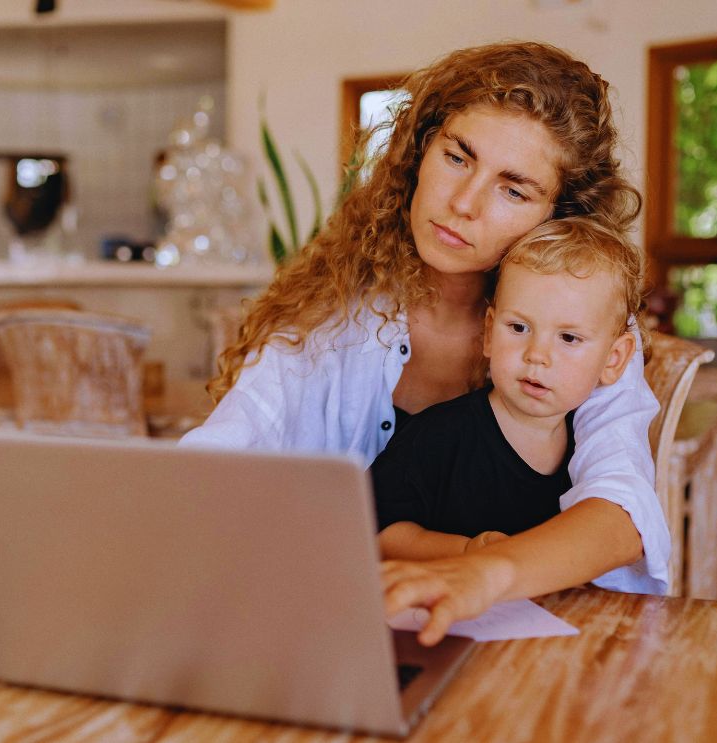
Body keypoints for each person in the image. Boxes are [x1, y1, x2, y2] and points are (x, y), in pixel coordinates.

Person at [180, 41, 669, 632]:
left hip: (548, 635)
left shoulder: (578, 335)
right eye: (458, 158)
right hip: (347, 626)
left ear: (558, 215)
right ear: (419, 151)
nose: (463, 203)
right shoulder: (326, 314)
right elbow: (225, 449)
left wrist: (483, 572)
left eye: (514, 189)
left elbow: (622, 511)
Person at [372, 217, 644, 631]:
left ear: (614, 359)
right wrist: (467, 552)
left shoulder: (589, 455)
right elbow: (382, 535)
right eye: (518, 328)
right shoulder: (436, 437)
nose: (537, 355)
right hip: (439, 632)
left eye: (568, 338)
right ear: (488, 333)